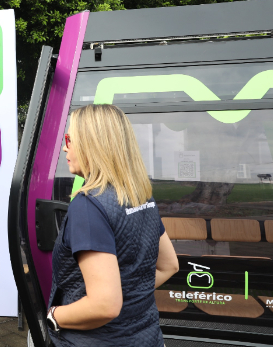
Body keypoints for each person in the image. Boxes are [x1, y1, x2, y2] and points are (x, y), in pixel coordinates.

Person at [47, 104, 179, 346]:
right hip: (148, 338)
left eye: (69, 139)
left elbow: (105, 306)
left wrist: (54, 316)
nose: (65, 147)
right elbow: (169, 266)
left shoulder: (88, 206)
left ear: (91, 144)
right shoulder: (140, 195)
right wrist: (126, 300)